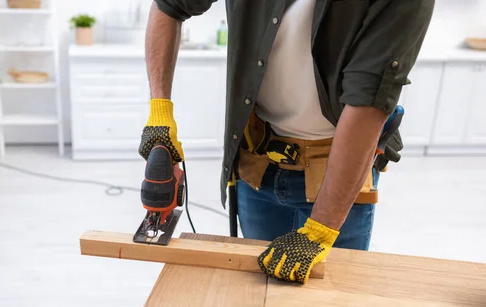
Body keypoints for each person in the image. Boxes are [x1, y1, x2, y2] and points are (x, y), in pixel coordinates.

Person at [138, 0, 434, 283]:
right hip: (258, 168)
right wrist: (159, 111)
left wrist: (322, 228)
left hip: (336, 178)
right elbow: (169, 6)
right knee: (258, 298)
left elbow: (368, 99)